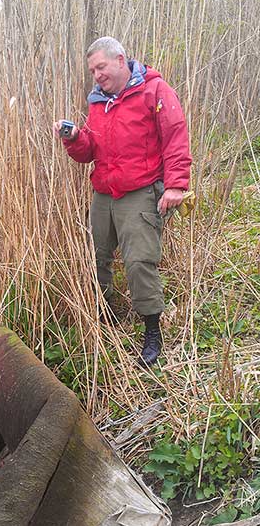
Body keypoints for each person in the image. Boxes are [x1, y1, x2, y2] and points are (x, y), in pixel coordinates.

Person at [54, 36, 192, 366]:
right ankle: (106, 316)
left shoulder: (154, 91)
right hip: (104, 192)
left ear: (120, 61)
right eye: (92, 70)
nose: (96, 75)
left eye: (100, 67)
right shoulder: (97, 101)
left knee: (139, 261)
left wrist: (175, 185)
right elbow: (90, 152)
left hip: (140, 191)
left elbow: (175, 134)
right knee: (96, 256)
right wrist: (75, 139)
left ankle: (152, 332)